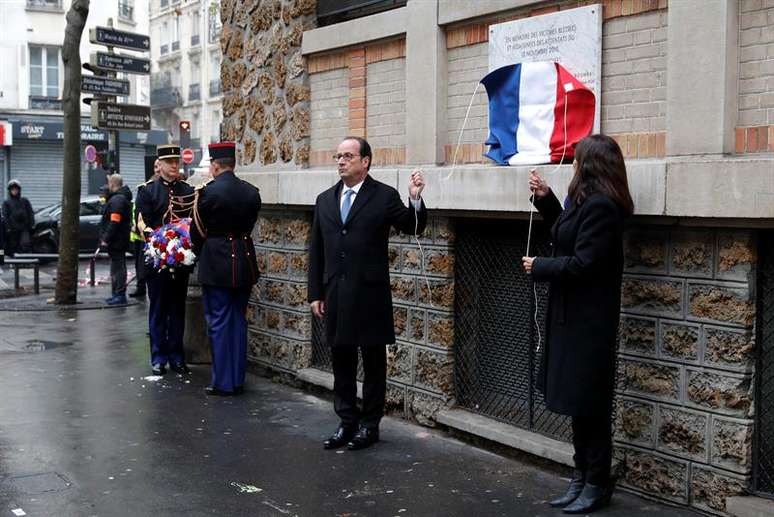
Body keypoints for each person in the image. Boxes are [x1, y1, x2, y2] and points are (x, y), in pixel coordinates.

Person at [521, 134, 633, 514]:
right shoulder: (585, 203)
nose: (572, 165)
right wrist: (547, 197)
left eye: (576, 160)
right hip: (569, 316)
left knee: (590, 405)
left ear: (589, 166)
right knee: (575, 402)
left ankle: (597, 482)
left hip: (589, 323)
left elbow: (585, 263)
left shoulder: (603, 207)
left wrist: (540, 267)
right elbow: (565, 232)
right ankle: (580, 476)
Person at [308, 136, 427, 451]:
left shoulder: (384, 196)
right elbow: (316, 250)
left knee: (374, 362)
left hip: (370, 294)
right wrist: (315, 293)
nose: (341, 161)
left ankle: (370, 425)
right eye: (338, 156)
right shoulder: (324, 200)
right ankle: (346, 421)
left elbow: (413, 226)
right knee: (341, 360)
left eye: (348, 156)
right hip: (335, 293)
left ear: (365, 161)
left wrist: (414, 198)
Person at [190, 142, 261, 396]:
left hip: (216, 262)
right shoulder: (252, 192)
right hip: (244, 262)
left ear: (215, 166)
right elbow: (249, 226)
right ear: (234, 164)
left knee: (218, 322)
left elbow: (197, 232)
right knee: (238, 321)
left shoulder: (207, 193)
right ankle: (238, 379)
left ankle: (223, 383)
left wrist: (201, 253)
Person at [136, 145, 194, 376]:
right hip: (157, 260)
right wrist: (162, 242)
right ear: (158, 165)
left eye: (175, 161)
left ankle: (177, 356)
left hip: (180, 260)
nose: (173, 165)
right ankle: (158, 357)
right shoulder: (147, 191)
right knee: (159, 309)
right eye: (168, 162)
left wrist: (182, 243)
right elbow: (141, 224)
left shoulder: (187, 189)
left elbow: (191, 221)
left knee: (178, 310)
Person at [129, 158, 160, 299]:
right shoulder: (145, 190)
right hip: (141, 237)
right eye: (155, 166)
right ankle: (141, 286)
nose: (157, 169)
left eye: (159, 166)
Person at [99, 174, 132, 305]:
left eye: (108, 183)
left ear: (112, 184)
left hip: (117, 240)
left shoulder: (117, 200)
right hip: (119, 239)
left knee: (118, 268)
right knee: (117, 267)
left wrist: (106, 238)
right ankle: (117, 293)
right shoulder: (119, 198)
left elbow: (114, 221)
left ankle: (119, 294)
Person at [2, 179, 34, 257]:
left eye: (16, 189)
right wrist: (8, 228)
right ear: (10, 191)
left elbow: (30, 212)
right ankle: (15, 263)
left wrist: (32, 224)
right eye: (13, 189)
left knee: (25, 245)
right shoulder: (6, 203)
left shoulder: (24, 200)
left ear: (19, 190)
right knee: (13, 247)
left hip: (24, 228)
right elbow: (5, 216)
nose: (14, 191)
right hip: (13, 229)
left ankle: (25, 263)